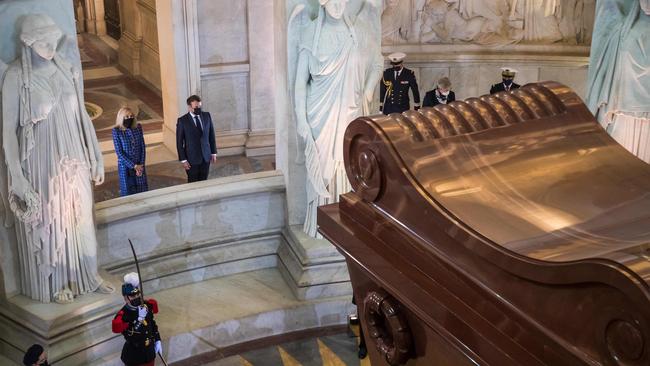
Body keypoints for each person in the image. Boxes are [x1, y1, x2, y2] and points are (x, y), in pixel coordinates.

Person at [1, 14, 113, 303]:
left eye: (53, 39)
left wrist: (96, 154)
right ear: (28, 42)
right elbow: (8, 133)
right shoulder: (17, 77)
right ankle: (58, 281)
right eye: (44, 40)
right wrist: (17, 176)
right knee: (54, 218)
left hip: (73, 152)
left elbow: (82, 117)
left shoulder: (67, 68)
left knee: (82, 215)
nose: (51, 45)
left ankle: (87, 274)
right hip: (41, 160)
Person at [291, 0, 383, 237]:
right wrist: (301, 119)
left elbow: (377, 62)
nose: (338, 5)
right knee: (321, 170)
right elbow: (300, 84)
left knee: (348, 164)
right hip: (319, 115)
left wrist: (369, 89)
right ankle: (320, 224)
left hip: (350, 111)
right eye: (332, 1)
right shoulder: (311, 35)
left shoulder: (356, 35)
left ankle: (346, 222)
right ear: (323, 4)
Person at [112, 273, 162, 366]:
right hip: (135, 356)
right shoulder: (123, 315)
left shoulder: (146, 305)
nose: (136, 297)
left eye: (138, 294)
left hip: (150, 353)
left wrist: (157, 340)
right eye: (132, 296)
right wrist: (140, 319)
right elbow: (130, 335)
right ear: (126, 298)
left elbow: (152, 324)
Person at [176, 95, 217, 183]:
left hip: (206, 157)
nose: (199, 109)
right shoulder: (182, 121)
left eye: (200, 106)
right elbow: (179, 143)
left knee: (204, 181)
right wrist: (183, 160)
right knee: (193, 183)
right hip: (191, 159)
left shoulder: (207, 116)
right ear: (189, 107)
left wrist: (213, 152)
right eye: (196, 107)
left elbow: (211, 135)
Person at [112, 107, 148, 196]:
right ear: (121, 118)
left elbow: (142, 147)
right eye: (126, 117)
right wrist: (134, 166)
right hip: (125, 166)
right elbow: (119, 152)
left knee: (142, 190)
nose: (129, 118)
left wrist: (141, 165)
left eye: (131, 116)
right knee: (128, 192)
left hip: (139, 165)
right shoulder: (116, 131)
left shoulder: (138, 127)